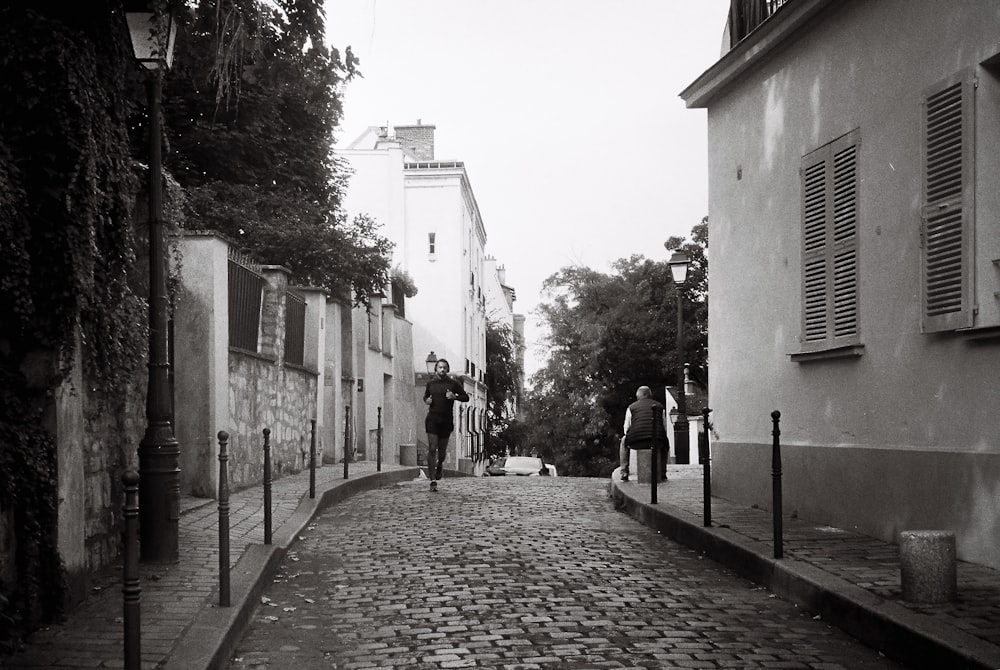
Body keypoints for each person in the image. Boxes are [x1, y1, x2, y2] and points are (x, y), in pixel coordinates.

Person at [423, 358, 469, 491]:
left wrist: (455, 397)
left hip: (446, 421)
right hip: (432, 420)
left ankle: (440, 464)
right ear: (436, 369)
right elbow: (425, 397)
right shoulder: (430, 384)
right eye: (439, 367)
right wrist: (427, 400)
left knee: (441, 452)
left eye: (444, 367)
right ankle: (432, 481)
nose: (442, 369)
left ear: (447, 370)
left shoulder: (453, 383)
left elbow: (466, 397)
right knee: (432, 448)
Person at [620, 385, 669, 482]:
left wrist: (629, 434)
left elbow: (626, 428)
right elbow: (664, 427)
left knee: (623, 441)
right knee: (666, 444)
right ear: (650, 395)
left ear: (638, 396)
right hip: (657, 442)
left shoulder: (631, 407)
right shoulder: (660, 407)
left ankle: (624, 471)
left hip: (636, 442)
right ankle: (662, 472)